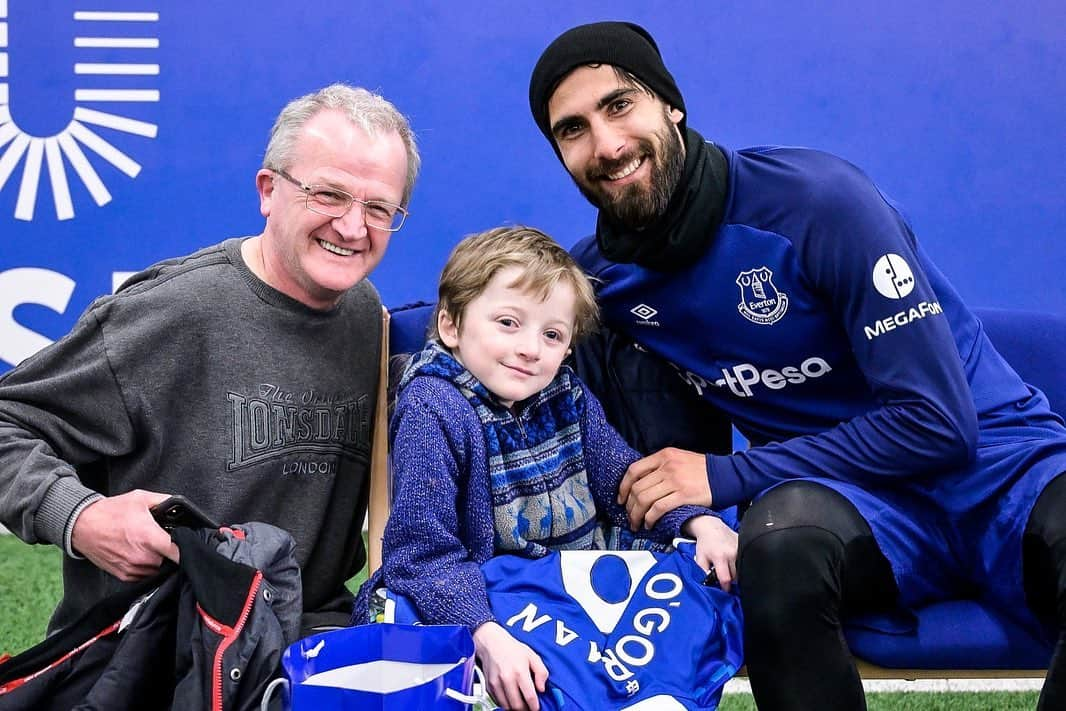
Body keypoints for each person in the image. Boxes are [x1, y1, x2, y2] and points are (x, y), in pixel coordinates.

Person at [527, 21, 1066, 710]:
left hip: (1001, 466)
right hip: (854, 499)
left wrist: (722, 474)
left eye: (619, 104)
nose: (606, 144)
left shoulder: (820, 204)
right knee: (775, 549)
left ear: (671, 104)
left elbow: (940, 425)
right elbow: (485, 324)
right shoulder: (607, 284)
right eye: (572, 130)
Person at [0, 83, 420, 637]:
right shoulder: (173, 310)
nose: (352, 226)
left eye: (377, 207)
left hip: (306, 646)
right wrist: (81, 517)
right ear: (268, 190)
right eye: (329, 195)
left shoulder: (369, 317)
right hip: (154, 654)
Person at [355, 226, 737, 711]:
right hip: (492, 601)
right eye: (509, 323)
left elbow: (623, 482)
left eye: (552, 334)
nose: (531, 348)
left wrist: (696, 521)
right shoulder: (434, 407)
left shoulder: (565, 394)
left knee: (710, 567)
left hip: (571, 590)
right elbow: (423, 554)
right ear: (451, 326)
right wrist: (485, 633)